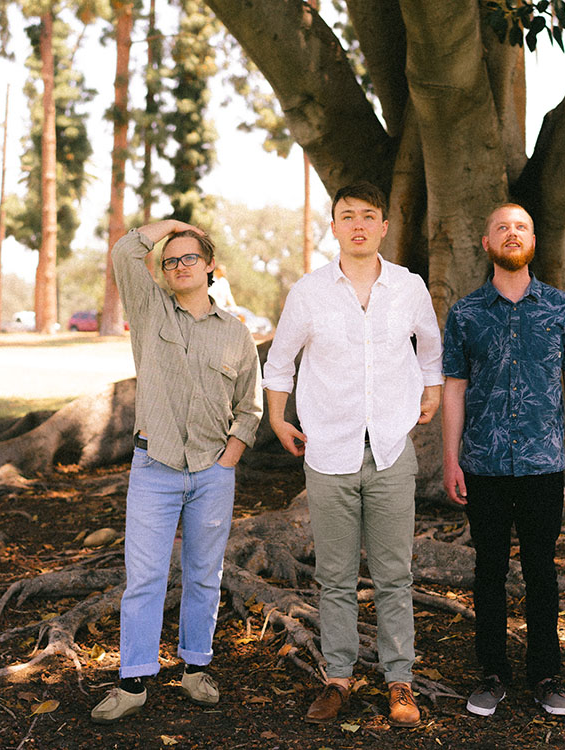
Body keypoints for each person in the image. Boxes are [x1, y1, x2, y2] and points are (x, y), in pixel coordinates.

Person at [263, 181, 443, 728]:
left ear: (384, 226)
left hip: (390, 448)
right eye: (347, 216)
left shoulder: (408, 287)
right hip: (329, 450)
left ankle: (399, 680)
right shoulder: (310, 291)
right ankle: (337, 678)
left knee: (395, 574)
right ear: (334, 226)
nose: (358, 224)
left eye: (369, 215)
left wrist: (430, 390)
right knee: (335, 576)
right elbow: (280, 359)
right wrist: (276, 416)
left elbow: (430, 345)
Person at [90, 219, 263, 724]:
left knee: (205, 575)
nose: (180, 265)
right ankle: (134, 681)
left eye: (190, 257)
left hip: (212, 471)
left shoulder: (236, 333)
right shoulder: (150, 311)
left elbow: (249, 408)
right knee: (144, 577)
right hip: (155, 467)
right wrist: (171, 226)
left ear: (209, 267)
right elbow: (125, 250)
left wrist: (229, 458)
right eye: (170, 260)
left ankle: (194, 668)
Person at [440, 203, 565, 718]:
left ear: (534, 242)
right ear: (485, 244)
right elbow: (454, 389)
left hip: (544, 464)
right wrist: (450, 459)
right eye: (502, 228)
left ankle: (547, 676)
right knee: (488, 572)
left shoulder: (561, 308)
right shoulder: (465, 313)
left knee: (541, 572)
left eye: (522, 227)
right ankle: (491, 674)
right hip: (482, 464)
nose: (512, 233)